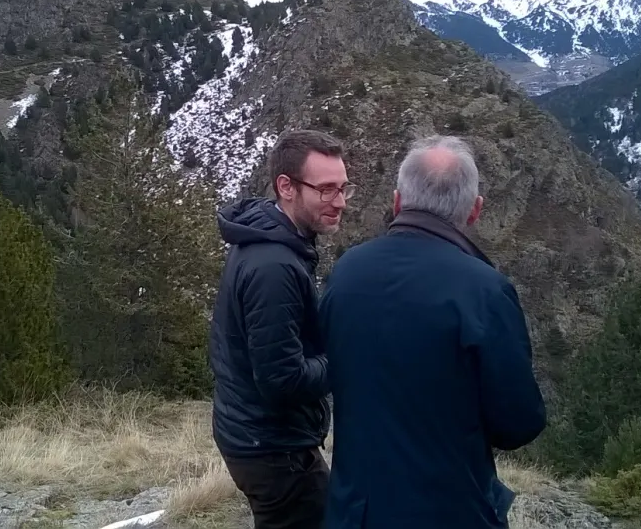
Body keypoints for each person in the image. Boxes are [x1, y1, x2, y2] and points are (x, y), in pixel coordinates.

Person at [319, 135, 546, 529]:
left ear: (396, 202)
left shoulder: (347, 271)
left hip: (352, 513)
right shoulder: (485, 291)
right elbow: (518, 424)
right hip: (451, 512)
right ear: (474, 211)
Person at [209, 129, 355, 529]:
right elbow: (282, 378)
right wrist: (344, 358)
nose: (339, 202)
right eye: (325, 190)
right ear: (286, 187)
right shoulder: (274, 267)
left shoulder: (271, 238)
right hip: (272, 448)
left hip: (255, 434)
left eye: (343, 188)